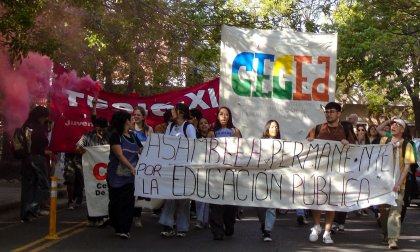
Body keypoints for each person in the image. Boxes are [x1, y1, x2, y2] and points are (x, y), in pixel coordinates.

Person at [306, 102, 355, 244]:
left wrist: (348, 145)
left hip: (337, 174)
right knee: (316, 201)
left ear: (339, 114)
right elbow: (305, 148)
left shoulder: (345, 130)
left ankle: (327, 232)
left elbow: (355, 150)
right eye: (327, 112)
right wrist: (309, 141)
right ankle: (316, 226)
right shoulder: (317, 129)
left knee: (331, 203)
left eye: (332, 111)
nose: (329, 114)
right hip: (318, 171)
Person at [159, 103, 197, 238]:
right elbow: (165, 143)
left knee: (183, 198)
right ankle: (168, 225)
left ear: (180, 112)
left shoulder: (189, 127)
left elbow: (193, 146)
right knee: (170, 197)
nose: (171, 112)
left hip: (184, 168)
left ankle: (182, 227)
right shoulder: (170, 126)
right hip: (171, 167)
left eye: (174, 110)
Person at [377, 118, 415, 249]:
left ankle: (393, 239)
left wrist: (399, 183)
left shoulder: (407, 145)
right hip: (384, 183)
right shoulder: (385, 141)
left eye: (397, 125)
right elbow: (378, 130)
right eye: (393, 124)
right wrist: (388, 121)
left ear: (402, 130)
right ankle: (385, 234)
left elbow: (407, 166)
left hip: (399, 184)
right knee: (384, 211)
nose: (393, 126)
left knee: (395, 212)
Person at [208, 106, 242, 240]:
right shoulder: (212, 133)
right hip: (216, 172)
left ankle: (229, 224)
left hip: (231, 172)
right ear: (217, 116)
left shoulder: (235, 131)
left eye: (226, 114)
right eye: (221, 114)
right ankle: (217, 230)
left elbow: (241, 149)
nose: (224, 117)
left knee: (230, 203)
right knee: (216, 202)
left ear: (230, 117)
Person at [107, 111, 142, 239]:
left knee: (127, 203)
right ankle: (117, 225)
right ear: (126, 121)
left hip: (130, 177)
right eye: (130, 118)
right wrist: (131, 167)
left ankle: (125, 229)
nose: (133, 120)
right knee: (114, 203)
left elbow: (141, 150)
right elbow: (119, 155)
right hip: (115, 175)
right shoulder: (115, 136)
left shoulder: (133, 135)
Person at [76, 114, 109, 227]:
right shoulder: (87, 136)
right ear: (95, 127)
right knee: (92, 193)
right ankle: (92, 217)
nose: (101, 132)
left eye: (103, 129)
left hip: (106, 173)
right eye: (99, 129)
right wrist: (81, 149)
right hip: (92, 172)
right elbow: (78, 146)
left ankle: (104, 216)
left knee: (105, 194)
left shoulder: (109, 135)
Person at [20, 106, 52, 222]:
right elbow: (41, 142)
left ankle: (25, 213)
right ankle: (32, 208)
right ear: (40, 117)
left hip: (26, 158)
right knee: (43, 186)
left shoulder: (27, 125)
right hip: (37, 158)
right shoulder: (38, 127)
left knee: (28, 186)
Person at [256, 120, 281, 242]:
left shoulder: (283, 144)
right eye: (272, 126)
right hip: (261, 178)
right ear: (267, 128)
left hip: (275, 178)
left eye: (276, 127)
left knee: (271, 206)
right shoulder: (259, 143)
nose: (274, 129)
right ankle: (263, 224)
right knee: (261, 206)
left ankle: (267, 231)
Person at [131, 106, 153, 228]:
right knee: (131, 191)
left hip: (144, 164)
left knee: (139, 191)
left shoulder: (149, 129)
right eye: (134, 114)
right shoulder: (129, 130)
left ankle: (137, 216)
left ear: (143, 117)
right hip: (132, 163)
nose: (136, 116)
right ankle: (130, 215)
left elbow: (153, 146)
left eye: (139, 114)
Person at [194, 117, 211, 230]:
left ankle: (206, 220)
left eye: (206, 123)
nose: (204, 125)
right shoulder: (195, 137)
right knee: (199, 196)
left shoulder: (213, 137)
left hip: (210, 169)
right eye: (201, 123)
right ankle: (200, 220)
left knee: (208, 196)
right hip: (199, 169)